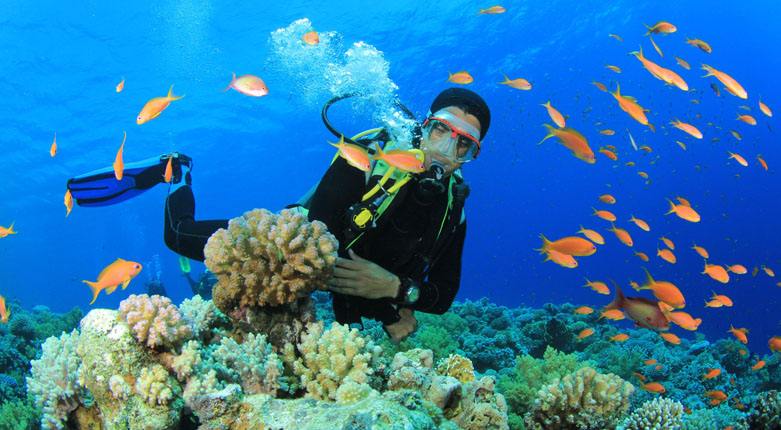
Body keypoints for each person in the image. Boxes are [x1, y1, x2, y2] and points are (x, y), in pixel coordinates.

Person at [67, 88, 490, 342]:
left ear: (471, 155)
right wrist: (384, 306)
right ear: (424, 127)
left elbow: (445, 296)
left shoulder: (455, 211)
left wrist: (396, 289)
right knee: (177, 236)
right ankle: (178, 171)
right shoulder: (374, 154)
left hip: (332, 274)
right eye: (440, 131)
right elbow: (314, 238)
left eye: (464, 146)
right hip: (287, 240)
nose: (446, 152)